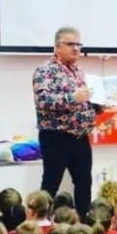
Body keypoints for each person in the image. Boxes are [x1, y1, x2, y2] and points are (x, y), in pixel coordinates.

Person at [33, 27, 97, 218]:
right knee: (51, 184)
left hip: (80, 137)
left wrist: (99, 106)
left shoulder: (79, 72)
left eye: (78, 44)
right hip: (56, 137)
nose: (76, 49)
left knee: (84, 182)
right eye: (70, 44)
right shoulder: (45, 71)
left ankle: (83, 226)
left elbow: (83, 103)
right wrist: (72, 98)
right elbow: (43, 102)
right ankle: (38, 224)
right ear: (57, 47)